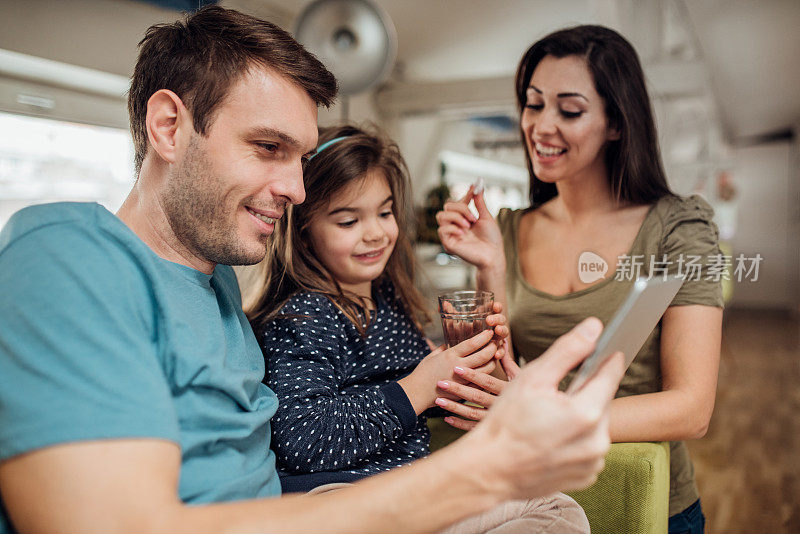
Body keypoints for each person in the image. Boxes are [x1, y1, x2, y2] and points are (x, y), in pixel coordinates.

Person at [0, 8, 624, 534]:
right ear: (168, 126)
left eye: (300, 158)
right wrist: (486, 469)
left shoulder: (214, 282)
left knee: (551, 510)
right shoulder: (64, 250)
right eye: (268, 148)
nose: (296, 189)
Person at [436, 25, 723, 533]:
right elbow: (496, 379)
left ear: (617, 122)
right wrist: (491, 268)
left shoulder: (679, 227)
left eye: (569, 110)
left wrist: (547, 413)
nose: (542, 126)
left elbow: (692, 408)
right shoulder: (508, 229)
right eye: (533, 104)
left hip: (645, 495)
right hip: (530, 498)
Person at [246, 124, 590, 532]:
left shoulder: (388, 304)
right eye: (347, 221)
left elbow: (452, 394)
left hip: (401, 492)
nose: (375, 233)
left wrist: (487, 275)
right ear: (303, 230)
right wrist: (419, 387)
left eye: (385, 212)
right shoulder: (304, 316)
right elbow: (302, 439)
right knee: (553, 511)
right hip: (335, 500)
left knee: (549, 503)